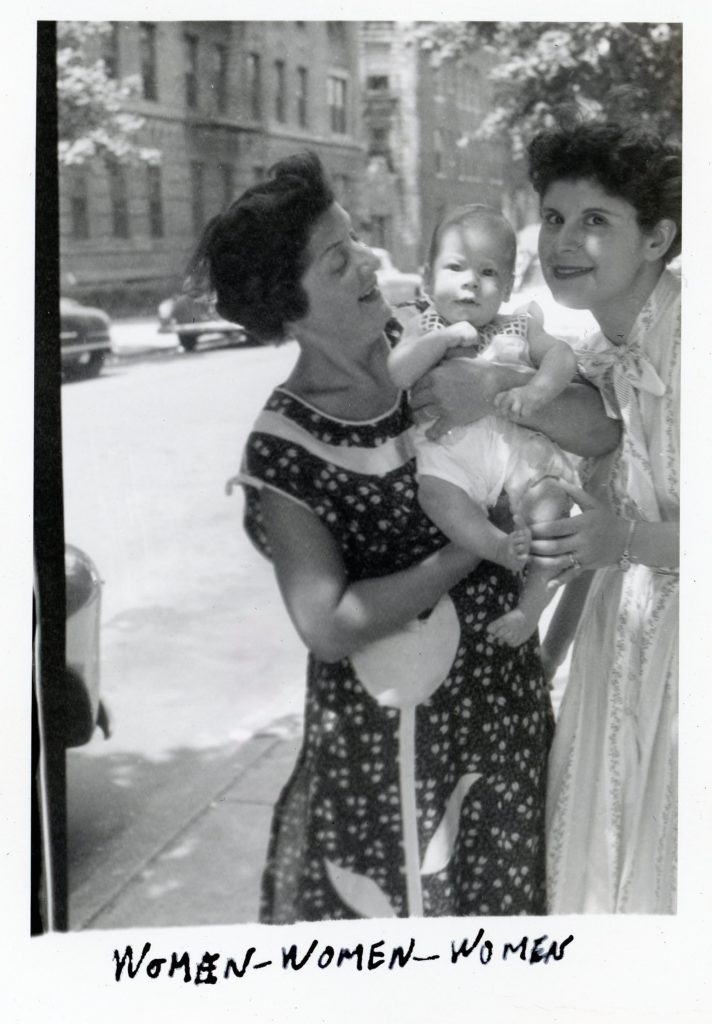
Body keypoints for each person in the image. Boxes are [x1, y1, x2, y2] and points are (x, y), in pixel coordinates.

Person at [192, 151, 619, 922]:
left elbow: (601, 436)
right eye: (336, 259)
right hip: (390, 763)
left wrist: (495, 387)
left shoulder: (442, 339)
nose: (365, 263)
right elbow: (327, 624)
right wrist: (475, 544)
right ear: (291, 305)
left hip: (500, 728)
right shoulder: (286, 443)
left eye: (354, 241)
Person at [523, 121, 680, 914]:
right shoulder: (594, 354)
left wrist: (627, 540)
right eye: (553, 217)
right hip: (620, 640)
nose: (564, 241)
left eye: (595, 220)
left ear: (657, 239)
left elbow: (627, 531)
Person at [388, 204, 580, 647]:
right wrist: (444, 339)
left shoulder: (519, 325)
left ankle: (530, 608)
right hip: (451, 455)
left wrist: (535, 392)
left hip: (518, 455)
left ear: (509, 286)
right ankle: (494, 546)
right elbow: (396, 373)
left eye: (488, 271)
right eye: (455, 267)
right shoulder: (425, 325)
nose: (471, 281)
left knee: (552, 508)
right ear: (427, 275)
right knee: (436, 493)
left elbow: (562, 357)